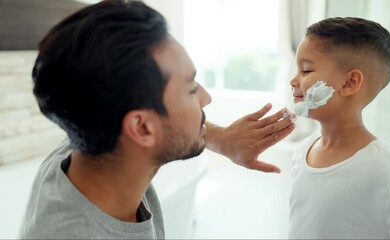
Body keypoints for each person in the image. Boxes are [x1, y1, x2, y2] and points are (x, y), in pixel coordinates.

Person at [18, 0, 295, 238]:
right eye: (190, 89)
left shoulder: (90, 135)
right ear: (141, 128)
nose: (206, 98)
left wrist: (219, 138)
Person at [288, 17, 390, 239]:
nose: (293, 80)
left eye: (305, 71)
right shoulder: (302, 152)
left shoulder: (388, 173)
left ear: (350, 83)